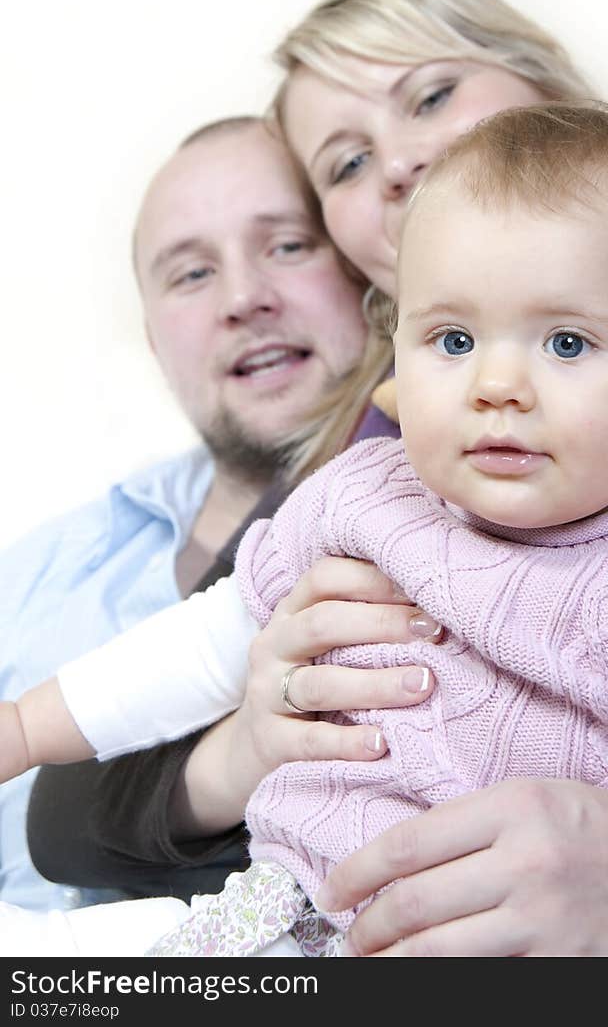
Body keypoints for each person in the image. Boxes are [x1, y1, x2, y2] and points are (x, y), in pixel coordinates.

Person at [29, 0, 608, 956]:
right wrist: (253, 734)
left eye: (431, 94)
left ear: (551, 93)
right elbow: (66, 811)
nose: (394, 165)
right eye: (344, 165)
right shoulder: (370, 469)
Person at [0, 114, 432, 912]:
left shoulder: (428, 518)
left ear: (372, 278)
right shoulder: (34, 578)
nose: (244, 298)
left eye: (288, 245)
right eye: (192, 274)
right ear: (153, 339)